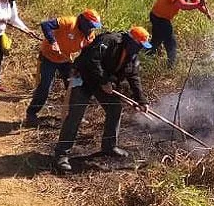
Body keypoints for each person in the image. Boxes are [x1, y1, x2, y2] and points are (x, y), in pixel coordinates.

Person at [54, 26, 152, 172]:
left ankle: (109, 146)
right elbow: (92, 60)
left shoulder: (132, 55)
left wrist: (141, 100)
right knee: (75, 115)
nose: (140, 49)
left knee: (114, 109)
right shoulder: (109, 41)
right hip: (85, 78)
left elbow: (133, 77)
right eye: (139, 45)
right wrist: (104, 81)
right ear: (131, 41)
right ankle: (61, 155)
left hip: (102, 83)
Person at [24, 9, 102, 126]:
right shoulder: (69, 22)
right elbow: (45, 25)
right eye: (90, 26)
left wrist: (78, 67)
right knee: (45, 87)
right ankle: (31, 114)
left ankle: (74, 115)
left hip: (65, 60)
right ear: (83, 22)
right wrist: (53, 41)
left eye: (94, 27)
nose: (91, 29)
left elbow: (87, 54)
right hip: (48, 57)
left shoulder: (89, 36)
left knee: (74, 86)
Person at [148, 0, 210, 67]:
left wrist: (206, 12)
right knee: (170, 41)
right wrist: (199, 5)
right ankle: (171, 66)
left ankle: (148, 55)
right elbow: (183, 5)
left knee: (157, 40)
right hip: (158, 17)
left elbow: (197, 2)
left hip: (164, 18)